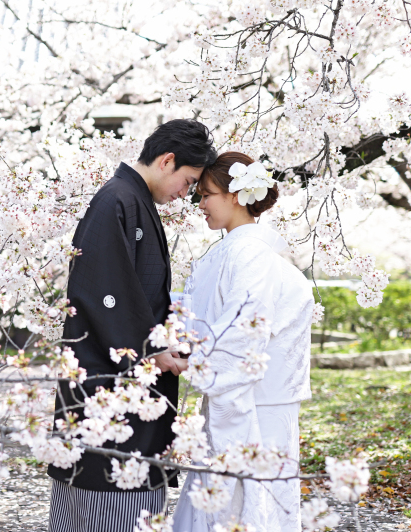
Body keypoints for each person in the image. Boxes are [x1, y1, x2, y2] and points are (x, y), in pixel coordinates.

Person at [47, 119, 217, 532]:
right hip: (109, 380)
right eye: (188, 181)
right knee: (110, 493)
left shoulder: (131, 199)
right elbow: (104, 292)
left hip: (122, 379)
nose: (185, 195)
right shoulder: (117, 200)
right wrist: (152, 351)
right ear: (167, 160)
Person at [172, 152, 314, 532]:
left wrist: (195, 361)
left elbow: (245, 329)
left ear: (236, 195)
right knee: (244, 505)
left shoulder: (248, 253)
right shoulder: (233, 252)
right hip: (243, 393)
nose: (200, 204)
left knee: (239, 502)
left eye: (206, 195)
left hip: (254, 402)